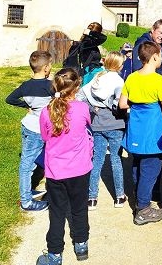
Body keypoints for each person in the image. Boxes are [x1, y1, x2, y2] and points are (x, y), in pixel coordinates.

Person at [36, 68, 93, 265]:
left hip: (56, 170)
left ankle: (54, 254)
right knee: (79, 208)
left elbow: (45, 137)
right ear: (76, 87)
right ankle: (81, 245)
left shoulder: (47, 111)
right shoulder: (82, 108)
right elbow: (86, 126)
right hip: (80, 169)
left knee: (57, 212)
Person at [119, 41, 162, 225]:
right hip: (153, 132)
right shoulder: (160, 80)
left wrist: (138, 102)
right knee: (150, 170)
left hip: (136, 129)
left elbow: (123, 104)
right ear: (155, 57)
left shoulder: (132, 77)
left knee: (137, 164)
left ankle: (139, 198)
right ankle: (143, 209)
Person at [77, 51, 127, 210]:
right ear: (119, 65)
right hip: (115, 123)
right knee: (116, 159)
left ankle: (92, 198)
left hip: (98, 123)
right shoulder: (119, 81)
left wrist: (94, 109)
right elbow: (119, 104)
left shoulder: (97, 78)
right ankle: (119, 196)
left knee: (97, 160)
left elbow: (81, 96)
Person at [6, 50, 53, 212]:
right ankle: (26, 201)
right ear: (45, 68)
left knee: (30, 160)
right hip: (39, 128)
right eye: (50, 65)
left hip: (28, 124)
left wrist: (27, 105)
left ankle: (27, 191)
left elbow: (10, 99)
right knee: (27, 165)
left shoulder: (26, 85)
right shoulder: (49, 86)